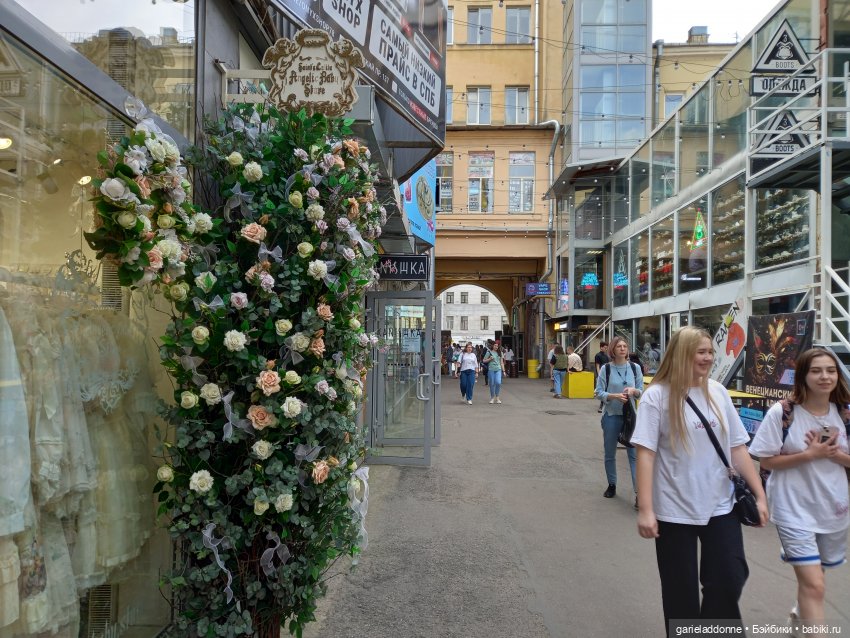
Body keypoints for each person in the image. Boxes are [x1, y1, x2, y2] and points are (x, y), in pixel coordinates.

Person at [632, 326, 767, 636]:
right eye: (700, 352)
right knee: (681, 594)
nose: (708, 358)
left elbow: (737, 448)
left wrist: (760, 496)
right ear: (682, 355)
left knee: (729, 577)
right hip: (674, 509)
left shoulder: (717, 391)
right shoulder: (657, 396)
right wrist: (646, 509)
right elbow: (646, 455)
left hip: (721, 505)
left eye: (710, 352)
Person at [748, 349, 850, 629]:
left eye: (830, 370)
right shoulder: (782, 413)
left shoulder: (845, 413)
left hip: (834, 508)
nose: (825, 376)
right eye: (816, 370)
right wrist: (809, 455)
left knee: (816, 577)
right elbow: (766, 459)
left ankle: (800, 614)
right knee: (815, 585)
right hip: (793, 509)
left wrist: (834, 455)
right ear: (803, 376)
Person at [593, 336, 643, 505]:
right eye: (619, 346)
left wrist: (633, 391)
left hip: (631, 418)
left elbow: (641, 392)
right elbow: (598, 392)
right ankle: (612, 484)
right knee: (610, 453)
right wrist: (613, 396)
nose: (622, 348)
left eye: (625, 346)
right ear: (613, 350)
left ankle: (639, 493)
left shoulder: (635, 368)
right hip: (611, 416)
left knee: (634, 455)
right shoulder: (606, 369)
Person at [595, 341, 610, 413]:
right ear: (601, 347)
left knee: (606, 389)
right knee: (603, 389)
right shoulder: (598, 355)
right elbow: (597, 365)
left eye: (607, 348)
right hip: (601, 374)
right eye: (605, 348)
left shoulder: (606, 356)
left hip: (607, 374)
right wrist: (599, 375)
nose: (606, 349)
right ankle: (601, 405)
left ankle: (603, 404)